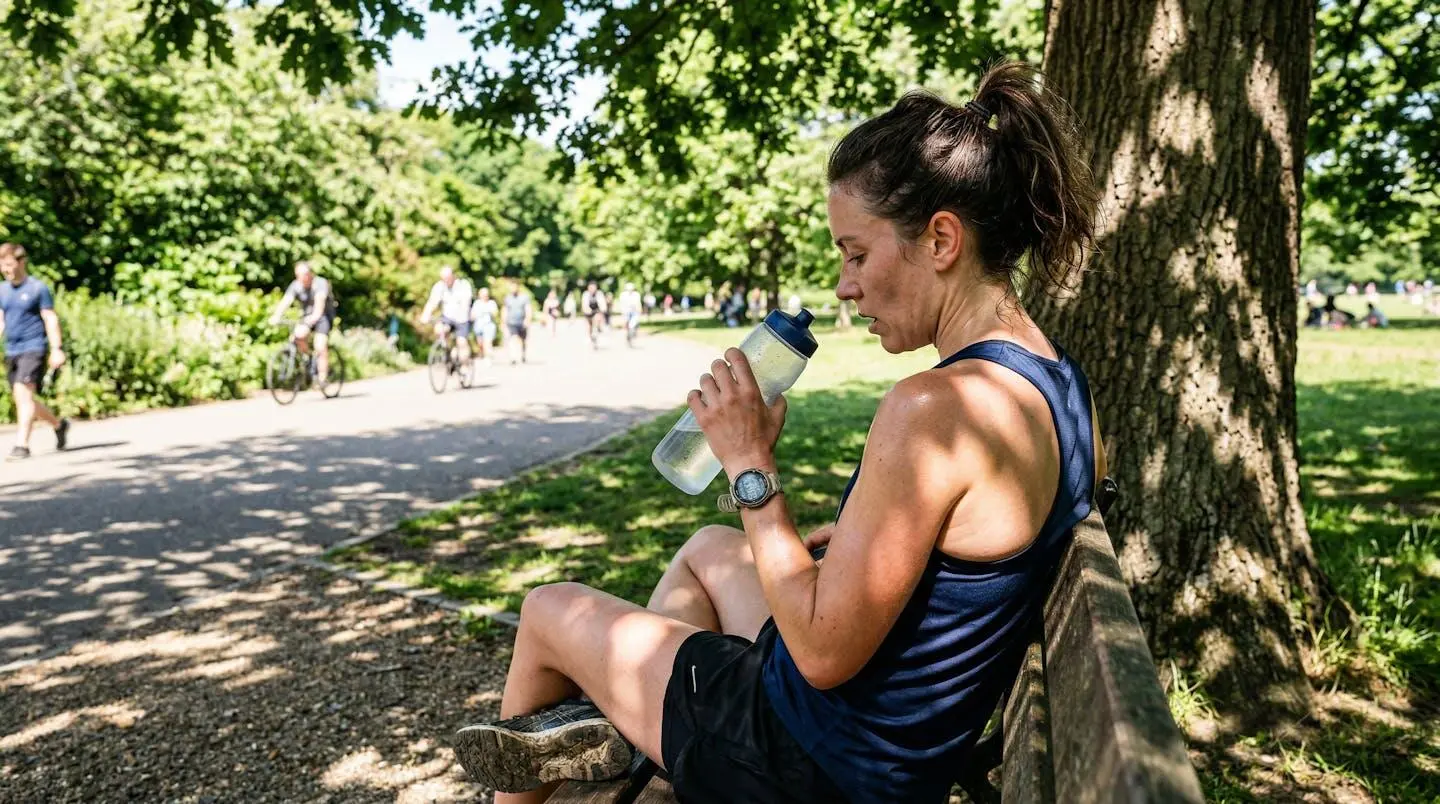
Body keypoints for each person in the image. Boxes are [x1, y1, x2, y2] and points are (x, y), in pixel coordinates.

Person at [451, 62, 1107, 804]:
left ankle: (633, 734)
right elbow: (962, 559)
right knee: (706, 551)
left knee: (546, 610)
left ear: (942, 240)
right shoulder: (1059, 382)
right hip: (881, 742)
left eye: (857, 252)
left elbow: (825, 653)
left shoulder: (934, 408)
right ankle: (641, 731)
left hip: (815, 765)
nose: (845, 284)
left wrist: (749, 464)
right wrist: (858, 537)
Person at [0, 244, 69, 460]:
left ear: (22, 262)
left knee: (23, 393)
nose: (6, 270)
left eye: (9, 264)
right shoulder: (2, 289)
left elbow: (50, 318)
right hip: (12, 349)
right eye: (2, 265)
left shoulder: (38, 288)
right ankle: (58, 425)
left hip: (34, 347)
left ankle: (22, 445)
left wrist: (57, 349)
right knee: (24, 399)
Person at [269, 261, 338, 385]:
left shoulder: (320, 283)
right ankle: (309, 358)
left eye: (303, 274)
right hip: (306, 317)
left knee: (320, 345)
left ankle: (323, 377)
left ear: (309, 273)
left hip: (323, 317)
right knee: (298, 336)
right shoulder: (296, 285)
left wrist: (313, 318)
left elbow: (319, 305)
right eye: (298, 275)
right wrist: (276, 316)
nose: (301, 278)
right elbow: (286, 301)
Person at [420, 265, 475, 368]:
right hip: (447, 317)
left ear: (453, 276)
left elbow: (466, 303)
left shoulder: (463, 285)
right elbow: (432, 302)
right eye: (443, 278)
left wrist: (464, 312)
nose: (446, 281)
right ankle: (447, 353)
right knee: (439, 329)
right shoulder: (439, 286)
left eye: (448, 278)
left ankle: (464, 366)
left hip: (462, 318)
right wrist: (425, 314)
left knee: (462, 342)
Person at [503, 280, 533, 364]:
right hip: (511, 322)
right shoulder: (507, 298)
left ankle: (523, 355)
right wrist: (504, 322)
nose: (513, 289)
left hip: (522, 322)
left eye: (514, 287)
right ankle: (513, 357)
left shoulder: (524, 297)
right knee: (513, 338)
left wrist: (527, 319)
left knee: (523, 340)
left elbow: (528, 309)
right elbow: (505, 310)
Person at [471, 287, 500, 363]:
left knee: (487, 342)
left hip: (488, 325)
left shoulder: (491, 303)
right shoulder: (477, 303)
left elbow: (495, 313)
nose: (485, 296)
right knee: (480, 343)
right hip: (478, 325)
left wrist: (490, 312)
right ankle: (482, 354)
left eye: (486, 295)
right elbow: (472, 315)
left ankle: (488, 357)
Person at [581, 282, 603, 348]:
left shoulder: (599, 294)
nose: (593, 289)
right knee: (589, 326)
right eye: (591, 288)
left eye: (594, 288)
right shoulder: (586, 294)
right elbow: (584, 304)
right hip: (588, 311)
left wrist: (602, 309)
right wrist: (587, 310)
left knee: (597, 319)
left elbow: (602, 303)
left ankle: (596, 331)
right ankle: (590, 337)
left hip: (596, 310)